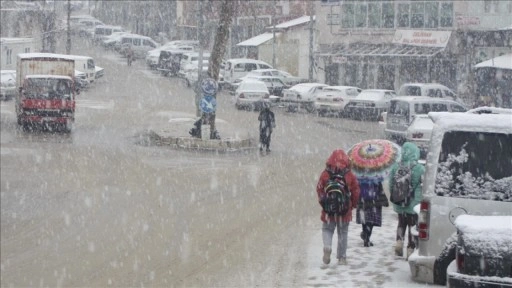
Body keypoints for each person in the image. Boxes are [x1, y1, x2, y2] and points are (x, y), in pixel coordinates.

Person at [316, 149, 360, 265]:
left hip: (328, 211)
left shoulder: (326, 173)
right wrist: (353, 205)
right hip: (344, 211)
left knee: (327, 229)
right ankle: (342, 257)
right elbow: (356, 191)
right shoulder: (349, 174)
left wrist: (324, 202)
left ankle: (327, 247)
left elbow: (319, 188)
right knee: (343, 233)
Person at [388, 142, 425, 259]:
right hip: (413, 203)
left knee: (401, 223)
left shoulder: (395, 167)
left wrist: (397, 196)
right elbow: (425, 186)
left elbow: (390, 184)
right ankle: (410, 248)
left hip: (400, 201)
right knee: (412, 226)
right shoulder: (420, 168)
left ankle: (399, 242)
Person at [355, 176, 388, 247]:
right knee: (371, 221)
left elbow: (356, 188)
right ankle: (367, 237)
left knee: (364, 220)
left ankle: (365, 235)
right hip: (374, 201)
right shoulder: (376, 174)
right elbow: (380, 188)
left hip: (362, 200)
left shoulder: (360, 174)